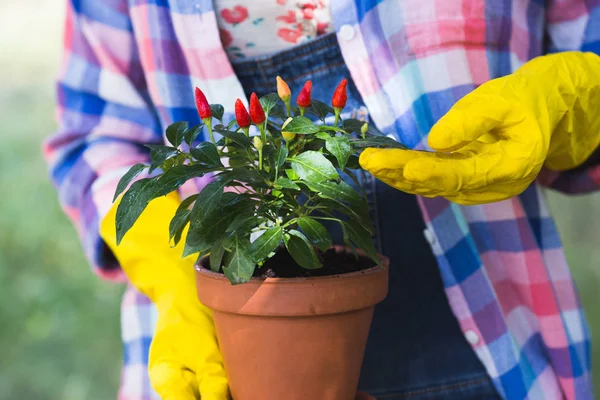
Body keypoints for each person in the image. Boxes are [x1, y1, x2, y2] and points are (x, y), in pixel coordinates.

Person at [44, 0, 600, 399]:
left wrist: (586, 94)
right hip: (223, 358)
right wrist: (167, 270)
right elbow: (96, 136)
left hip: (498, 345)